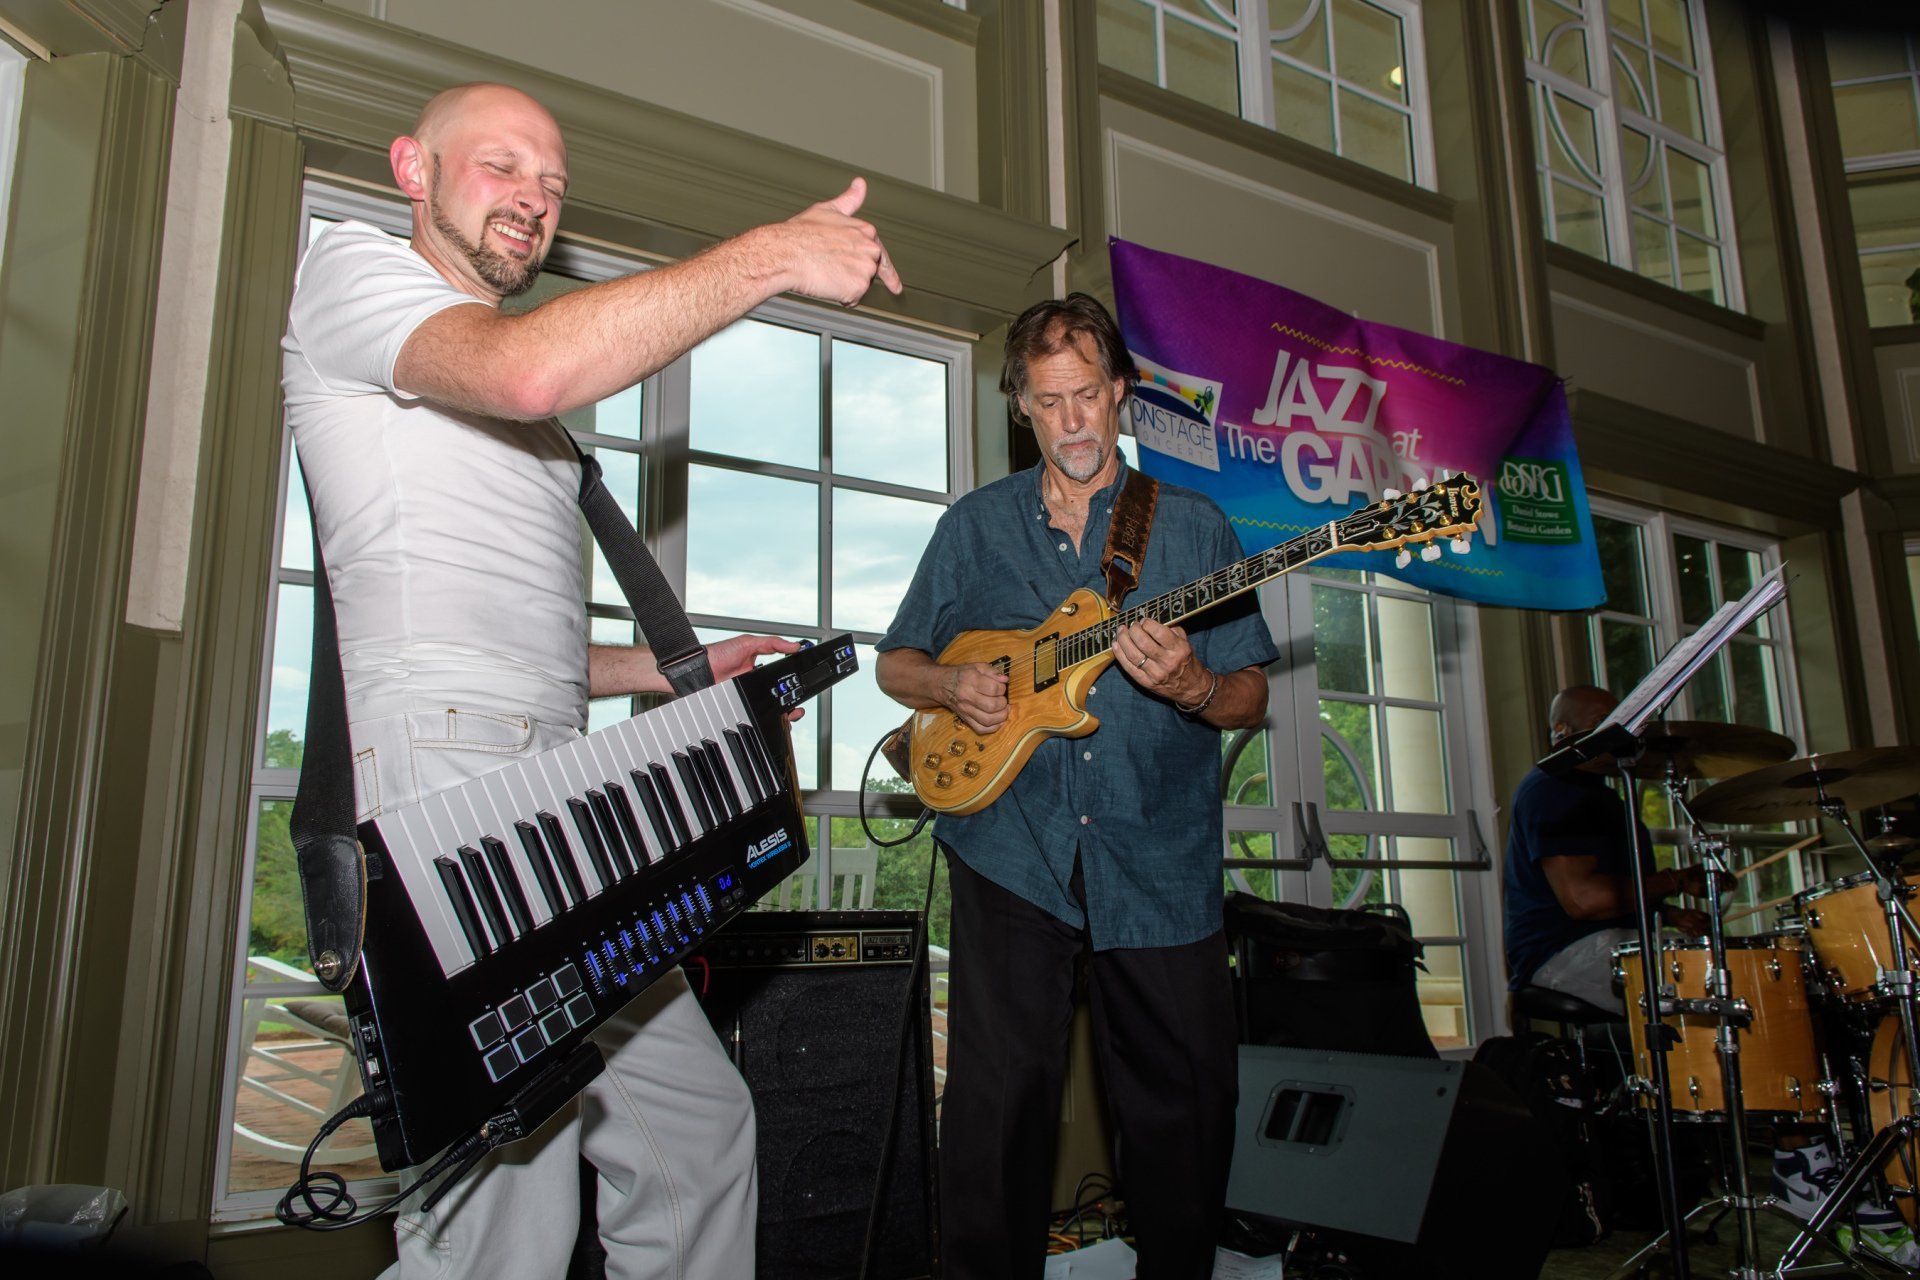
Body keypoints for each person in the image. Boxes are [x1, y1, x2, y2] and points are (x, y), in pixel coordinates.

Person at [280, 81, 900, 1279]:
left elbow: (513, 634)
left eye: (554, 182)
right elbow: (528, 371)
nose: (535, 196)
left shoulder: (530, 417)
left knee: (698, 1139)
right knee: (504, 1213)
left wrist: (665, 672)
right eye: (503, 165)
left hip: (556, 789)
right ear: (413, 167)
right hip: (442, 780)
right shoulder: (355, 274)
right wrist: (774, 254)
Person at [875, 293, 1280, 1279]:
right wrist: (950, 686)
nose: (1072, 422)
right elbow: (896, 663)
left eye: (1088, 394)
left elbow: (1250, 692)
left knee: (1186, 1107)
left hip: (1158, 849)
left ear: (1122, 391)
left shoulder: (1193, 527)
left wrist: (1194, 685)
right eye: (1049, 400)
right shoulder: (974, 528)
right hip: (1012, 847)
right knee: (996, 1107)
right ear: (1021, 404)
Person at [1503, 685, 1709, 1013]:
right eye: (1602, 721)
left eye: (1623, 721)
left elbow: (1617, 891)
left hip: (1603, 939)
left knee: (1716, 962)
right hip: (1559, 952)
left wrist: (1671, 915)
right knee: (1704, 975)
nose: (1619, 730)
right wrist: (1675, 880)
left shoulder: (1604, 797)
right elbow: (1583, 901)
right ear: (1561, 730)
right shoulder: (1551, 790)